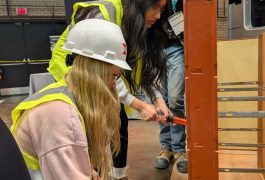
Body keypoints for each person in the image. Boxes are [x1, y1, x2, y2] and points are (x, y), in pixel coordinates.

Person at [47, 0, 170, 179]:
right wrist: (139, 105)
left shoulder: (137, 25)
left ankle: (118, 175)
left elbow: (141, 68)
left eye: (162, 9)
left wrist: (158, 100)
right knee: (90, 129)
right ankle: (90, 172)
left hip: (106, 79)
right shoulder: (103, 14)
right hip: (75, 75)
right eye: (155, 7)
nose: (158, 16)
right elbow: (100, 70)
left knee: (118, 121)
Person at [11, 19, 132, 180]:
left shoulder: (67, 91)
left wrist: (89, 171)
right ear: (95, 72)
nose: (114, 85)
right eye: (113, 76)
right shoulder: (60, 115)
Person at [154, 0, 187, 173]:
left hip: (177, 48)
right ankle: (166, 148)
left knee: (175, 100)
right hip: (156, 47)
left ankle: (179, 149)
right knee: (162, 101)